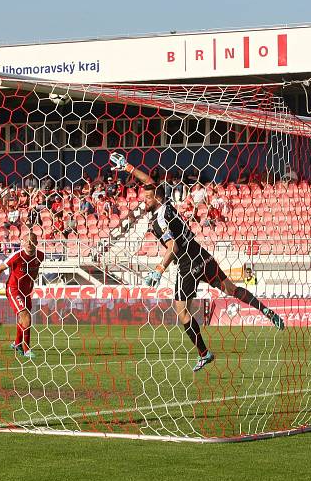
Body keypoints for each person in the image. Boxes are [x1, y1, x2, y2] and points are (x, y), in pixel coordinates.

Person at [109, 152, 285, 372]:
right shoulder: (167, 205)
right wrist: (127, 167)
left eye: (146, 199)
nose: (142, 201)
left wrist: (159, 269)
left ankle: (204, 353)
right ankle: (266, 311)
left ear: (156, 198)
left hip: (187, 264)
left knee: (182, 312)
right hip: (202, 255)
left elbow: (173, 246)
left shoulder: (158, 221)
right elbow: (149, 182)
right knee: (231, 288)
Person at [0, 232, 45, 359]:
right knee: (26, 316)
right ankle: (26, 349)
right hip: (14, 289)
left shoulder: (40, 256)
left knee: (23, 319)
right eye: (27, 241)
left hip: (26, 291)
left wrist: (31, 284)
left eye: (32, 241)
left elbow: (35, 270)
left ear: (36, 243)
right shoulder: (17, 256)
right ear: (23, 243)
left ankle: (16, 343)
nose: (29, 244)